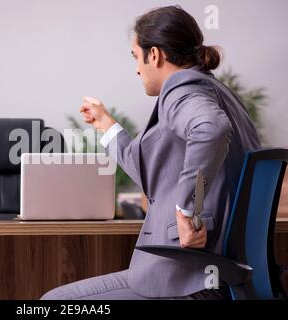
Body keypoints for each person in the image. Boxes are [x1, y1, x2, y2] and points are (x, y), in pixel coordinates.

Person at [41, 5, 260, 300]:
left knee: (54, 303)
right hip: (221, 277)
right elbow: (152, 172)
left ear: (154, 54)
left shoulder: (182, 89)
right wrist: (104, 123)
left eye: (136, 56)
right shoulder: (219, 92)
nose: (136, 68)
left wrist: (187, 209)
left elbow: (211, 130)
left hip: (190, 282)